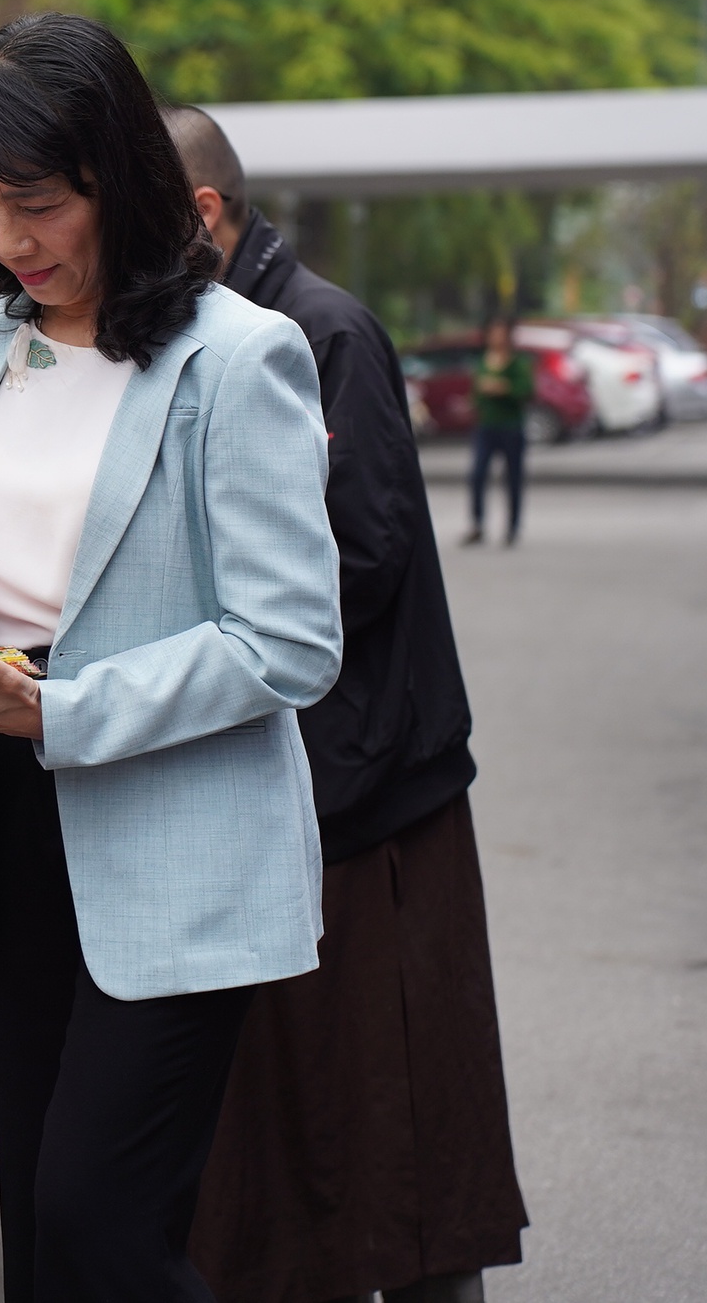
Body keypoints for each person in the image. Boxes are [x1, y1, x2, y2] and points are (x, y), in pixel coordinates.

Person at [0, 14, 342, 1303]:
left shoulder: (237, 357)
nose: (5, 241)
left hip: (174, 838)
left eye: (36, 206)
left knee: (101, 1227)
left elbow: (289, 642)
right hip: (6, 829)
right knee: (38, 1246)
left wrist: (58, 706)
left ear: (122, 177)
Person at [173, 104, 526, 1303]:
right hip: (289, 786)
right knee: (298, 1128)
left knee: (401, 1123)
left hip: (371, 788)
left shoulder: (317, 331)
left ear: (202, 214)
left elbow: (362, 553)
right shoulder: (219, 324)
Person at [467, 317, 531, 545]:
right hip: (486, 426)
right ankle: (477, 523)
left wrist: (503, 387)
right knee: (477, 475)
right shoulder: (483, 361)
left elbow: (526, 390)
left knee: (513, 478)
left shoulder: (517, 363)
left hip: (511, 426)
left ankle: (512, 527)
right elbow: (476, 393)